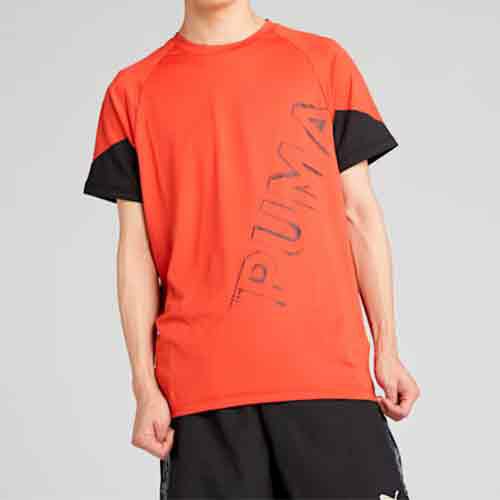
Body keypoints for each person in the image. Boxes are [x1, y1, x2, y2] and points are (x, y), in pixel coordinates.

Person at [83, 1, 420, 498]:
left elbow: (360, 214)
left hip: (328, 379)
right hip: (203, 397)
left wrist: (387, 349)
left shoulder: (321, 62)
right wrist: (143, 385)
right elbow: (136, 250)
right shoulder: (132, 91)